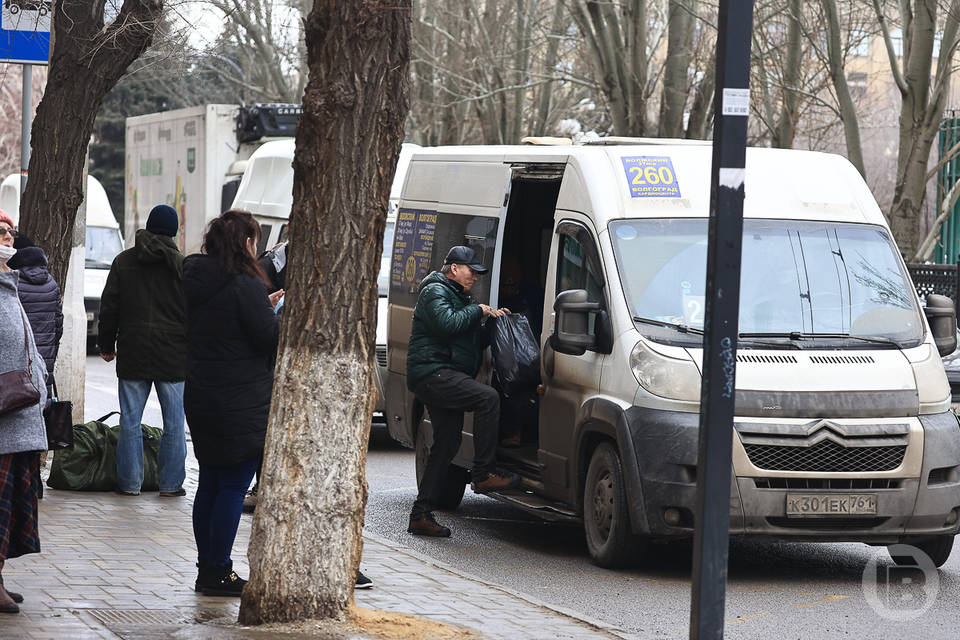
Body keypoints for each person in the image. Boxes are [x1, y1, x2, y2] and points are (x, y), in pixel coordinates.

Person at [183, 210, 282, 596]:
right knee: (232, 487)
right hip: (240, 400)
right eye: (254, 240)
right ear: (245, 243)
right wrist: (271, 310)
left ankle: (206, 567)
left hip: (203, 393)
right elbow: (266, 340)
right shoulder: (246, 285)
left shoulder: (193, 277)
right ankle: (219, 571)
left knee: (209, 482)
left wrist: (262, 304)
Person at [406, 245, 520, 538]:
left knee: (447, 444)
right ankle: (483, 474)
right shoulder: (435, 291)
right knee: (487, 398)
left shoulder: (459, 296)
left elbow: (466, 339)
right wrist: (476, 311)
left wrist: (493, 324)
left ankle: (420, 515)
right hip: (433, 373)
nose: (476, 278)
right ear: (454, 268)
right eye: (472, 272)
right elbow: (447, 325)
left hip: (446, 373)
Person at [98, 204, 188, 497]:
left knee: (130, 421)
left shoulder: (124, 261)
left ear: (148, 227)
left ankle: (130, 483)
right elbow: (193, 311)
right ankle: (171, 485)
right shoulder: (182, 265)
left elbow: (110, 305)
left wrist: (106, 344)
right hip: (173, 354)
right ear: (173, 231)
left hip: (134, 350)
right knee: (174, 424)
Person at [0, 257, 48, 614]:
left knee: (11, 509)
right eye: (0, 232)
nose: (7, 238)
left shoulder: (10, 287)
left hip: (20, 422)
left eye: (9, 232)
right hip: (5, 422)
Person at [8, 236, 63, 394]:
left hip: (18, 360)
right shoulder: (51, 283)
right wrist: (53, 348)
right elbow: (58, 325)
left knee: (16, 402)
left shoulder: (12, 283)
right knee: (42, 396)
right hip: (45, 355)